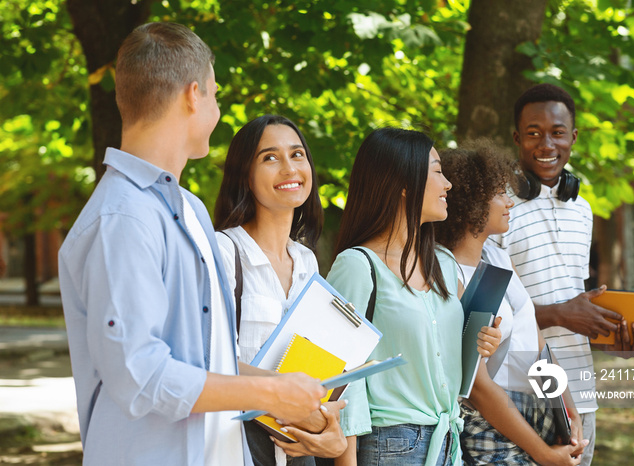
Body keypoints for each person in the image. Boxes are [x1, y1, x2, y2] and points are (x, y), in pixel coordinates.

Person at [58, 22, 325, 465]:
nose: (218, 110)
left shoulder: (190, 210)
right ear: (192, 94)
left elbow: (207, 357)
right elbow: (139, 376)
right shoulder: (123, 218)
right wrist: (271, 391)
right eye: (216, 95)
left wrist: (296, 393)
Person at [487, 83, 634, 466]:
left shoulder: (584, 210)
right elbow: (486, 313)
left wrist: (610, 338)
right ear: (516, 139)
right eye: (533, 133)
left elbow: (574, 305)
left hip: (580, 391)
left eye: (558, 132)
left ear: (573, 137)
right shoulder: (497, 211)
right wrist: (561, 313)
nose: (547, 144)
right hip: (519, 392)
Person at [325, 127, 501, 466]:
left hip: (448, 439)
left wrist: (484, 343)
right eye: (437, 171)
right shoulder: (358, 267)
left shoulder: (444, 265)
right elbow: (343, 378)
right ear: (404, 183)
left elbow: (454, 363)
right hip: (390, 446)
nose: (448, 184)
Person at [434, 140, 586, 465]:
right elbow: (477, 387)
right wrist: (543, 454)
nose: (510, 203)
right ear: (471, 201)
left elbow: (537, 340)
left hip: (536, 411)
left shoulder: (497, 257)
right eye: (500, 193)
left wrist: (566, 405)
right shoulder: (446, 270)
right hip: (490, 425)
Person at [214, 114, 347, 465]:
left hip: (295, 447)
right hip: (237, 446)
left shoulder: (306, 261)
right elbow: (209, 360)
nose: (289, 168)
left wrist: (326, 426)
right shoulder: (224, 251)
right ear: (245, 175)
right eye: (270, 158)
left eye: (297, 154)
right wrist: (286, 391)